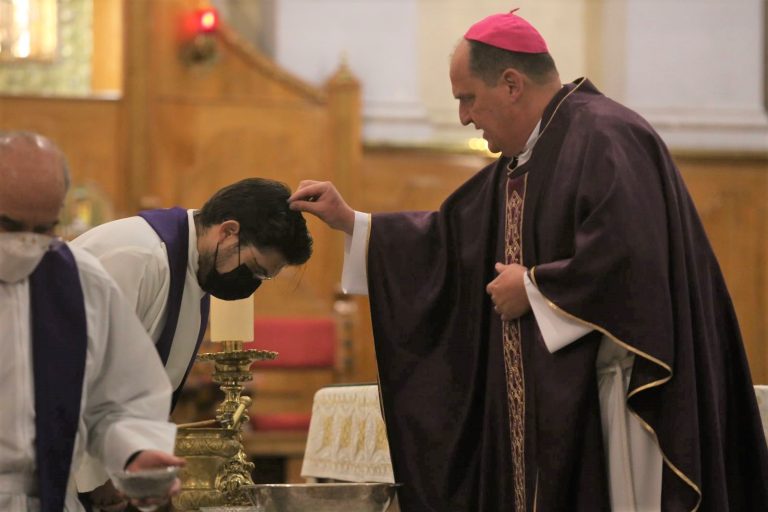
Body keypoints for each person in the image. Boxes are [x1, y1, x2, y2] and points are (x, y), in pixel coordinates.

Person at [288, 10, 768, 512]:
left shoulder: (606, 135)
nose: (464, 117)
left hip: (621, 405)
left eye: (467, 97)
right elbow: (449, 240)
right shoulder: (528, 158)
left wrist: (535, 289)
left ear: (511, 84)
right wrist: (353, 223)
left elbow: (630, 260)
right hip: (567, 406)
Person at [72, 177, 313, 507]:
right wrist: (96, 480)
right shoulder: (135, 256)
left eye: (263, 278)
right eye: (255, 268)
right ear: (228, 231)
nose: (252, 283)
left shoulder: (193, 269)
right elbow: (76, 373)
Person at [0, 131, 184, 511]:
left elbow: (120, 398)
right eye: (9, 224)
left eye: (43, 229)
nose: (25, 243)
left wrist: (135, 451)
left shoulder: (80, 280)